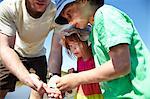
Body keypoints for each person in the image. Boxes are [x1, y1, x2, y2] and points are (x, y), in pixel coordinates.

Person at [49, 0, 150, 98]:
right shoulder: (94, 30)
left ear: (83, 1)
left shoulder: (105, 14)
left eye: (69, 14)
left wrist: (77, 78)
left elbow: (121, 65)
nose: (70, 22)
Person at [0, 0, 62, 99]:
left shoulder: (59, 11)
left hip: (38, 55)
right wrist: (26, 77)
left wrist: (55, 76)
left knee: (39, 90)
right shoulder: (9, 6)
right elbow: (5, 47)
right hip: (14, 53)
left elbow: (56, 49)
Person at [60, 27, 103, 99]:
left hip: (98, 94)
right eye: (70, 46)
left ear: (87, 41)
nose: (73, 49)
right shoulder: (79, 60)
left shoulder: (95, 57)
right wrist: (75, 73)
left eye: (76, 44)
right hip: (81, 95)